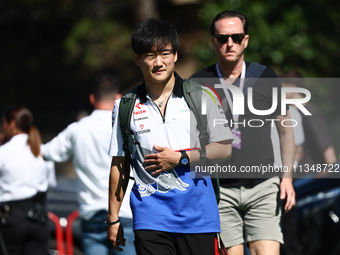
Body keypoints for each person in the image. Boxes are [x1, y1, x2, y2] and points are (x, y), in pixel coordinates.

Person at [107, 18, 234, 255]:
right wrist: (113, 218)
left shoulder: (202, 97)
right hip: (150, 217)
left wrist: (181, 158)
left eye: (165, 53)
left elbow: (224, 148)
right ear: (137, 58)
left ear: (175, 55)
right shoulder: (124, 106)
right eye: (149, 55)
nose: (158, 62)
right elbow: (120, 163)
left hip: (199, 216)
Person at [190, 10, 296, 255]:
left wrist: (287, 178)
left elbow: (285, 130)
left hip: (263, 185)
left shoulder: (266, 77)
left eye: (236, 37)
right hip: (218, 190)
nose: (230, 43)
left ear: (245, 40)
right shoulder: (197, 82)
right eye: (223, 38)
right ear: (213, 41)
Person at [42, 75, 136, 255]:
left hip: (91, 212)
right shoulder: (129, 127)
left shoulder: (77, 129)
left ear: (92, 98)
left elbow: (48, 153)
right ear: (118, 97)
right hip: (124, 212)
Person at [0, 105, 56, 255]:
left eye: (3, 122)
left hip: (10, 218)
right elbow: (50, 183)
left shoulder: (3, 152)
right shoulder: (42, 150)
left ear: (12, 123)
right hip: (38, 216)